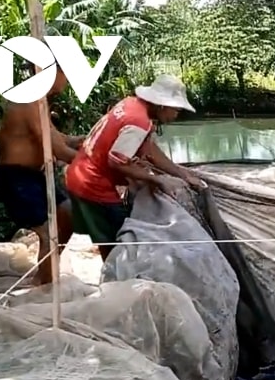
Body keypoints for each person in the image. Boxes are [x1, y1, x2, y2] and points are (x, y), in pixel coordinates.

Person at [64, 74, 204, 260]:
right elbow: (116, 161)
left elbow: (150, 150)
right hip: (92, 184)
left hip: (80, 172)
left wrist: (182, 174)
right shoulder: (139, 121)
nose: (176, 115)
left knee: (108, 236)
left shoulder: (131, 104)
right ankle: (114, 282)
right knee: (116, 243)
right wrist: (156, 179)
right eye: (176, 110)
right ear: (163, 105)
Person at [0, 66, 84, 284]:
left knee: (68, 215)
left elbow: (59, 138)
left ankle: (45, 274)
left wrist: (85, 140)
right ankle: (43, 284)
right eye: (66, 74)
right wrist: (97, 163)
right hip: (18, 177)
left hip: (35, 176)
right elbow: (58, 150)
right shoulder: (30, 99)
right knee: (47, 233)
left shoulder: (39, 100)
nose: (67, 81)